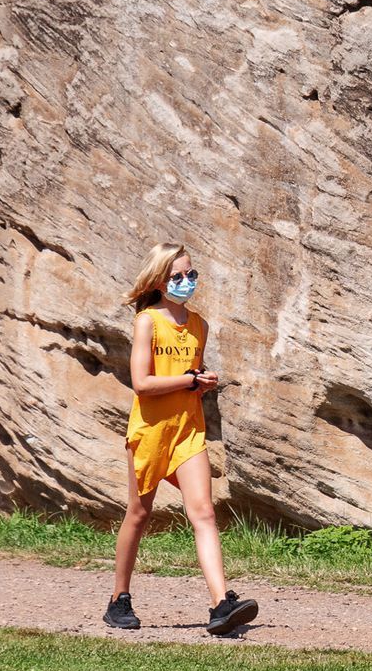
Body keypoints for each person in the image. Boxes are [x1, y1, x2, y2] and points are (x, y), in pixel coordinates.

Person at [104, 243, 258, 636]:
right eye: (177, 277)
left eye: (191, 275)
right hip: (152, 432)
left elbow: (184, 377)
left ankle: (221, 604)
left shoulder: (199, 324)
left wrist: (200, 383)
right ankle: (119, 598)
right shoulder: (148, 322)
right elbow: (142, 383)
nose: (186, 282)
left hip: (188, 430)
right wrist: (190, 379)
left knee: (203, 512)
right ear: (158, 281)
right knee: (138, 515)